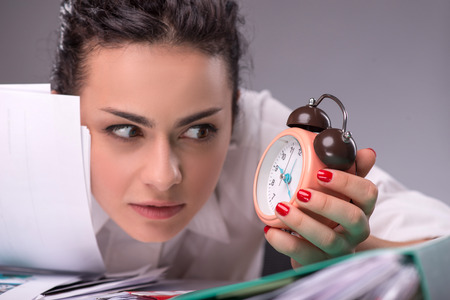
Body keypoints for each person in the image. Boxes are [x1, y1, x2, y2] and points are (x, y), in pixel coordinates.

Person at [51, 0, 450, 281]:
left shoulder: (276, 143)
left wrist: (356, 254)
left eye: (199, 130)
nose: (163, 176)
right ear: (58, 113)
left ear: (234, 113)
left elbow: (443, 247)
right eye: (125, 130)